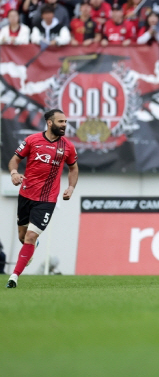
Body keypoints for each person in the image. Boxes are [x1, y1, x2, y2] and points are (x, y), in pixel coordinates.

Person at [6, 109, 79, 288]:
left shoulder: (67, 146)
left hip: (47, 199)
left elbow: (73, 168)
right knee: (24, 237)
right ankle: (33, 244)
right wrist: (14, 173)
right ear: (49, 123)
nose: (64, 125)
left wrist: (70, 187)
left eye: (65, 122)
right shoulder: (32, 140)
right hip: (25, 194)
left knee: (30, 236)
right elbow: (14, 160)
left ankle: (14, 276)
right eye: (60, 121)